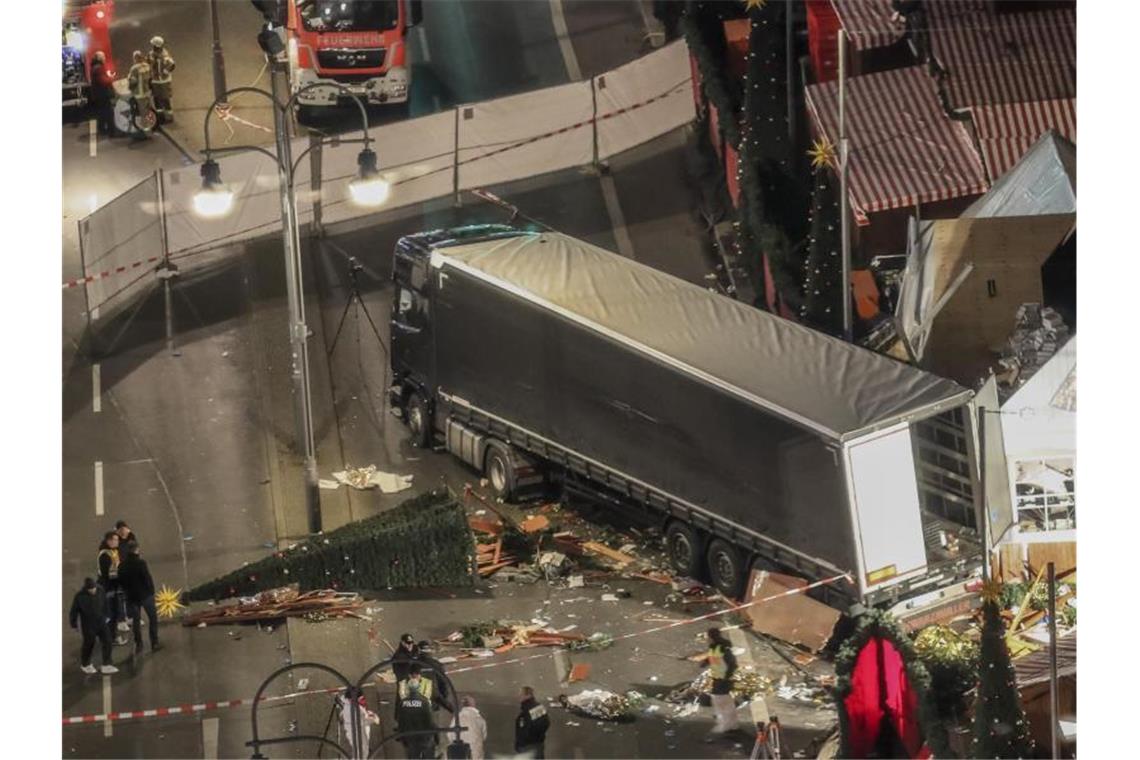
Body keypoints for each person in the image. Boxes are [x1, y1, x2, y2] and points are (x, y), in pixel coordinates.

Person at [69, 578, 118, 674]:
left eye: (94, 588)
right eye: (90, 589)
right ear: (86, 589)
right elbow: (74, 611)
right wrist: (74, 624)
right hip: (88, 625)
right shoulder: (79, 596)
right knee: (89, 644)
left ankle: (107, 664)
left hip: (101, 622)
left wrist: (107, 615)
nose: (93, 590)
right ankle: (85, 664)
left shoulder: (100, 590)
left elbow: (105, 603)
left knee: (108, 641)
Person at [119, 542, 161, 652]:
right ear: (136, 550)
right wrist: (151, 591)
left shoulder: (122, 565)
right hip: (145, 595)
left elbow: (121, 582)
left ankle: (139, 644)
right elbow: (147, 578)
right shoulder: (141, 563)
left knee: (136, 622)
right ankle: (154, 642)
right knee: (152, 618)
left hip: (131, 597)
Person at [703, 627, 740, 738]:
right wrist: (704, 663)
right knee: (726, 700)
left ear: (710, 637)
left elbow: (732, 664)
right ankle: (732, 724)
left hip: (722, 679)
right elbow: (714, 658)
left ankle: (725, 725)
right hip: (720, 677)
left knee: (720, 701)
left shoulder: (721, 647)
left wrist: (726, 677)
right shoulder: (716, 646)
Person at [395, 664, 437, 759]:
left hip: (410, 737)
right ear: (418, 688)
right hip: (424, 738)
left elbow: (400, 720)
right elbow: (429, 721)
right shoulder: (424, 702)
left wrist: (402, 736)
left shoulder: (403, 703)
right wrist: (434, 735)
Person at [97, 532, 129, 644]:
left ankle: (110, 636)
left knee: (113, 613)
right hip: (108, 588)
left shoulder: (112, 552)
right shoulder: (105, 555)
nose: (117, 542)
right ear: (109, 541)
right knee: (110, 614)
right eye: (115, 540)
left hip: (113, 587)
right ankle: (111, 637)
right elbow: (108, 575)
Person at [417, 639, 453, 713]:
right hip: (434, 702)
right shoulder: (436, 664)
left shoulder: (413, 664)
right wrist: (443, 699)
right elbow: (443, 682)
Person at [514, 686, 550, 759]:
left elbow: (543, 724)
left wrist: (528, 738)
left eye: (521, 694)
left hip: (532, 747)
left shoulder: (536, 708)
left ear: (528, 695)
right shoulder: (525, 709)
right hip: (526, 747)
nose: (518, 696)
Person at [147, 36, 175, 122]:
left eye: (153, 45)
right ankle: (161, 117)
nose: (152, 46)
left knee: (165, 99)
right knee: (157, 99)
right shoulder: (151, 54)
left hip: (164, 81)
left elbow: (172, 64)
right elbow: (148, 63)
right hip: (155, 81)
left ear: (156, 46)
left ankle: (169, 117)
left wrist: (166, 71)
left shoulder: (164, 55)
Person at [89, 51, 116, 136]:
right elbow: (103, 81)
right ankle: (112, 132)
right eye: (103, 57)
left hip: (97, 94)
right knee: (109, 113)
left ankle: (102, 129)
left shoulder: (94, 67)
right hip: (103, 94)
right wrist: (111, 78)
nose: (104, 58)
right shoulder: (99, 68)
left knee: (102, 113)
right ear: (99, 58)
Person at [126, 50, 152, 136]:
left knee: (142, 113)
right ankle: (150, 128)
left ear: (135, 58)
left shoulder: (134, 68)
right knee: (147, 111)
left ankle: (146, 132)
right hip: (147, 92)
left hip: (139, 94)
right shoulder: (147, 66)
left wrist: (129, 86)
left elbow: (133, 81)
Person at [457, 695, 488, 760]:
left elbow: (450, 734)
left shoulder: (456, 718)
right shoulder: (479, 719)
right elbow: (484, 736)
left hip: (458, 752)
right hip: (475, 752)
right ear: (472, 704)